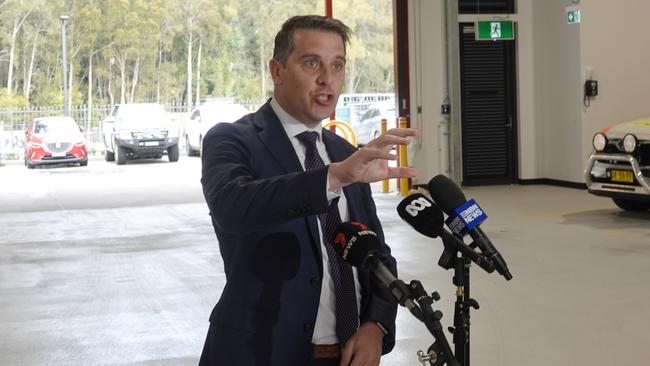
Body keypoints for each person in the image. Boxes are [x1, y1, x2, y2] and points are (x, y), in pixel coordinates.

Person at [199, 15, 418, 366]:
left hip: (346, 354)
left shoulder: (346, 154)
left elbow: (374, 251)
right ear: (277, 70)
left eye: (337, 65)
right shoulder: (232, 139)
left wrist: (376, 324)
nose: (326, 79)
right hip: (261, 352)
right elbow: (232, 207)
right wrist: (331, 178)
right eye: (311, 62)